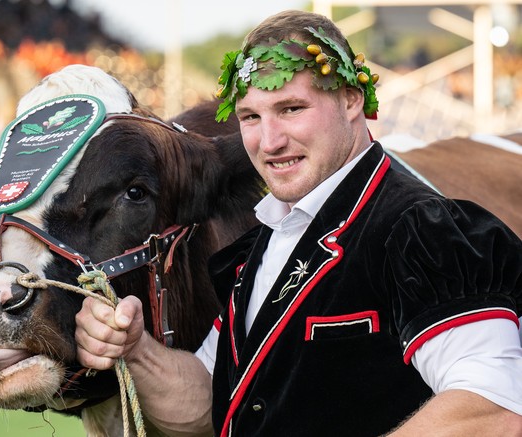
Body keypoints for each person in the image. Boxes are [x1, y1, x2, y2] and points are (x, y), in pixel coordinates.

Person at [75, 9, 522, 436]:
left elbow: (493, 411)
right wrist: (136, 349)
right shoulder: (263, 245)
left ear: (351, 100)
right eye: (251, 117)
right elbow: (208, 402)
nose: (270, 141)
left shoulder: (422, 228)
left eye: (291, 109)